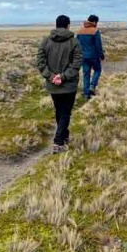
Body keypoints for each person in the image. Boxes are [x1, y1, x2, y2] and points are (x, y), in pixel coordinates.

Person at [37, 15, 83, 154]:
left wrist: (51, 77)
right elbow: (76, 64)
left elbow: (40, 62)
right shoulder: (74, 42)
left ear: (55, 25)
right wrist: (62, 77)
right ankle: (58, 142)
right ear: (68, 26)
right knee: (65, 113)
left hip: (53, 86)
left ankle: (64, 135)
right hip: (69, 85)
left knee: (59, 111)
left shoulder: (45, 42)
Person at [77, 14, 105, 99]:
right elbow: (98, 45)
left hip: (84, 57)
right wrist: (101, 55)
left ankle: (86, 94)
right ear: (94, 22)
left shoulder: (80, 31)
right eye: (96, 22)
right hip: (94, 56)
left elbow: (77, 45)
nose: (97, 24)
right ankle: (92, 86)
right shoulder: (95, 31)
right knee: (98, 70)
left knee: (86, 74)